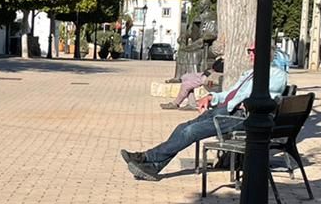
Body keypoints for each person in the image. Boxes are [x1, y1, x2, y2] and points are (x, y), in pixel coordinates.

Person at [121, 44, 289, 181]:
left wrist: (233, 102)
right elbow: (229, 93)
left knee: (191, 131)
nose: (250, 55)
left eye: (253, 51)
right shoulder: (250, 73)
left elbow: (263, 96)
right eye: (249, 51)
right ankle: (154, 166)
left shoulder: (276, 75)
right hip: (225, 110)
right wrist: (211, 97)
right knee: (183, 127)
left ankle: (146, 157)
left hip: (240, 116)